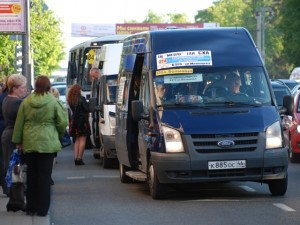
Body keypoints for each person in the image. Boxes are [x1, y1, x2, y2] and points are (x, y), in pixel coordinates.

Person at [12, 75, 68, 216]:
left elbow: (19, 123)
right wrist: (58, 134)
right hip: (47, 143)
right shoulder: (54, 102)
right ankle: (42, 209)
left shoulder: (26, 102)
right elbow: (62, 123)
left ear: (35, 86)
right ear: (48, 87)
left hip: (30, 142)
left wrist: (18, 141)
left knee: (31, 175)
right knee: (44, 177)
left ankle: (31, 207)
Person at [1, 74, 27, 196]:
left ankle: (13, 193)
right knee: (15, 166)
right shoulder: (17, 103)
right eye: (23, 87)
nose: (25, 90)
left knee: (10, 165)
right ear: (15, 88)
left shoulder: (7, 99)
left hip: (8, 135)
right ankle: (16, 196)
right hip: (13, 136)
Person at [67, 84, 90, 166]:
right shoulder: (82, 99)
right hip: (82, 121)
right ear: (78, 91)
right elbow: (87, 109)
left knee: (76, 140)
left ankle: (75, 157)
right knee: (82, 139)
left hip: (74, 121)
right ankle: (79, 158)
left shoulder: (70, 100)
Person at [0, 82, 8, 195]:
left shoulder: (2, 97)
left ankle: (5, 185)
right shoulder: (9, 99)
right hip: (6, 130)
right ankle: (7, 186)